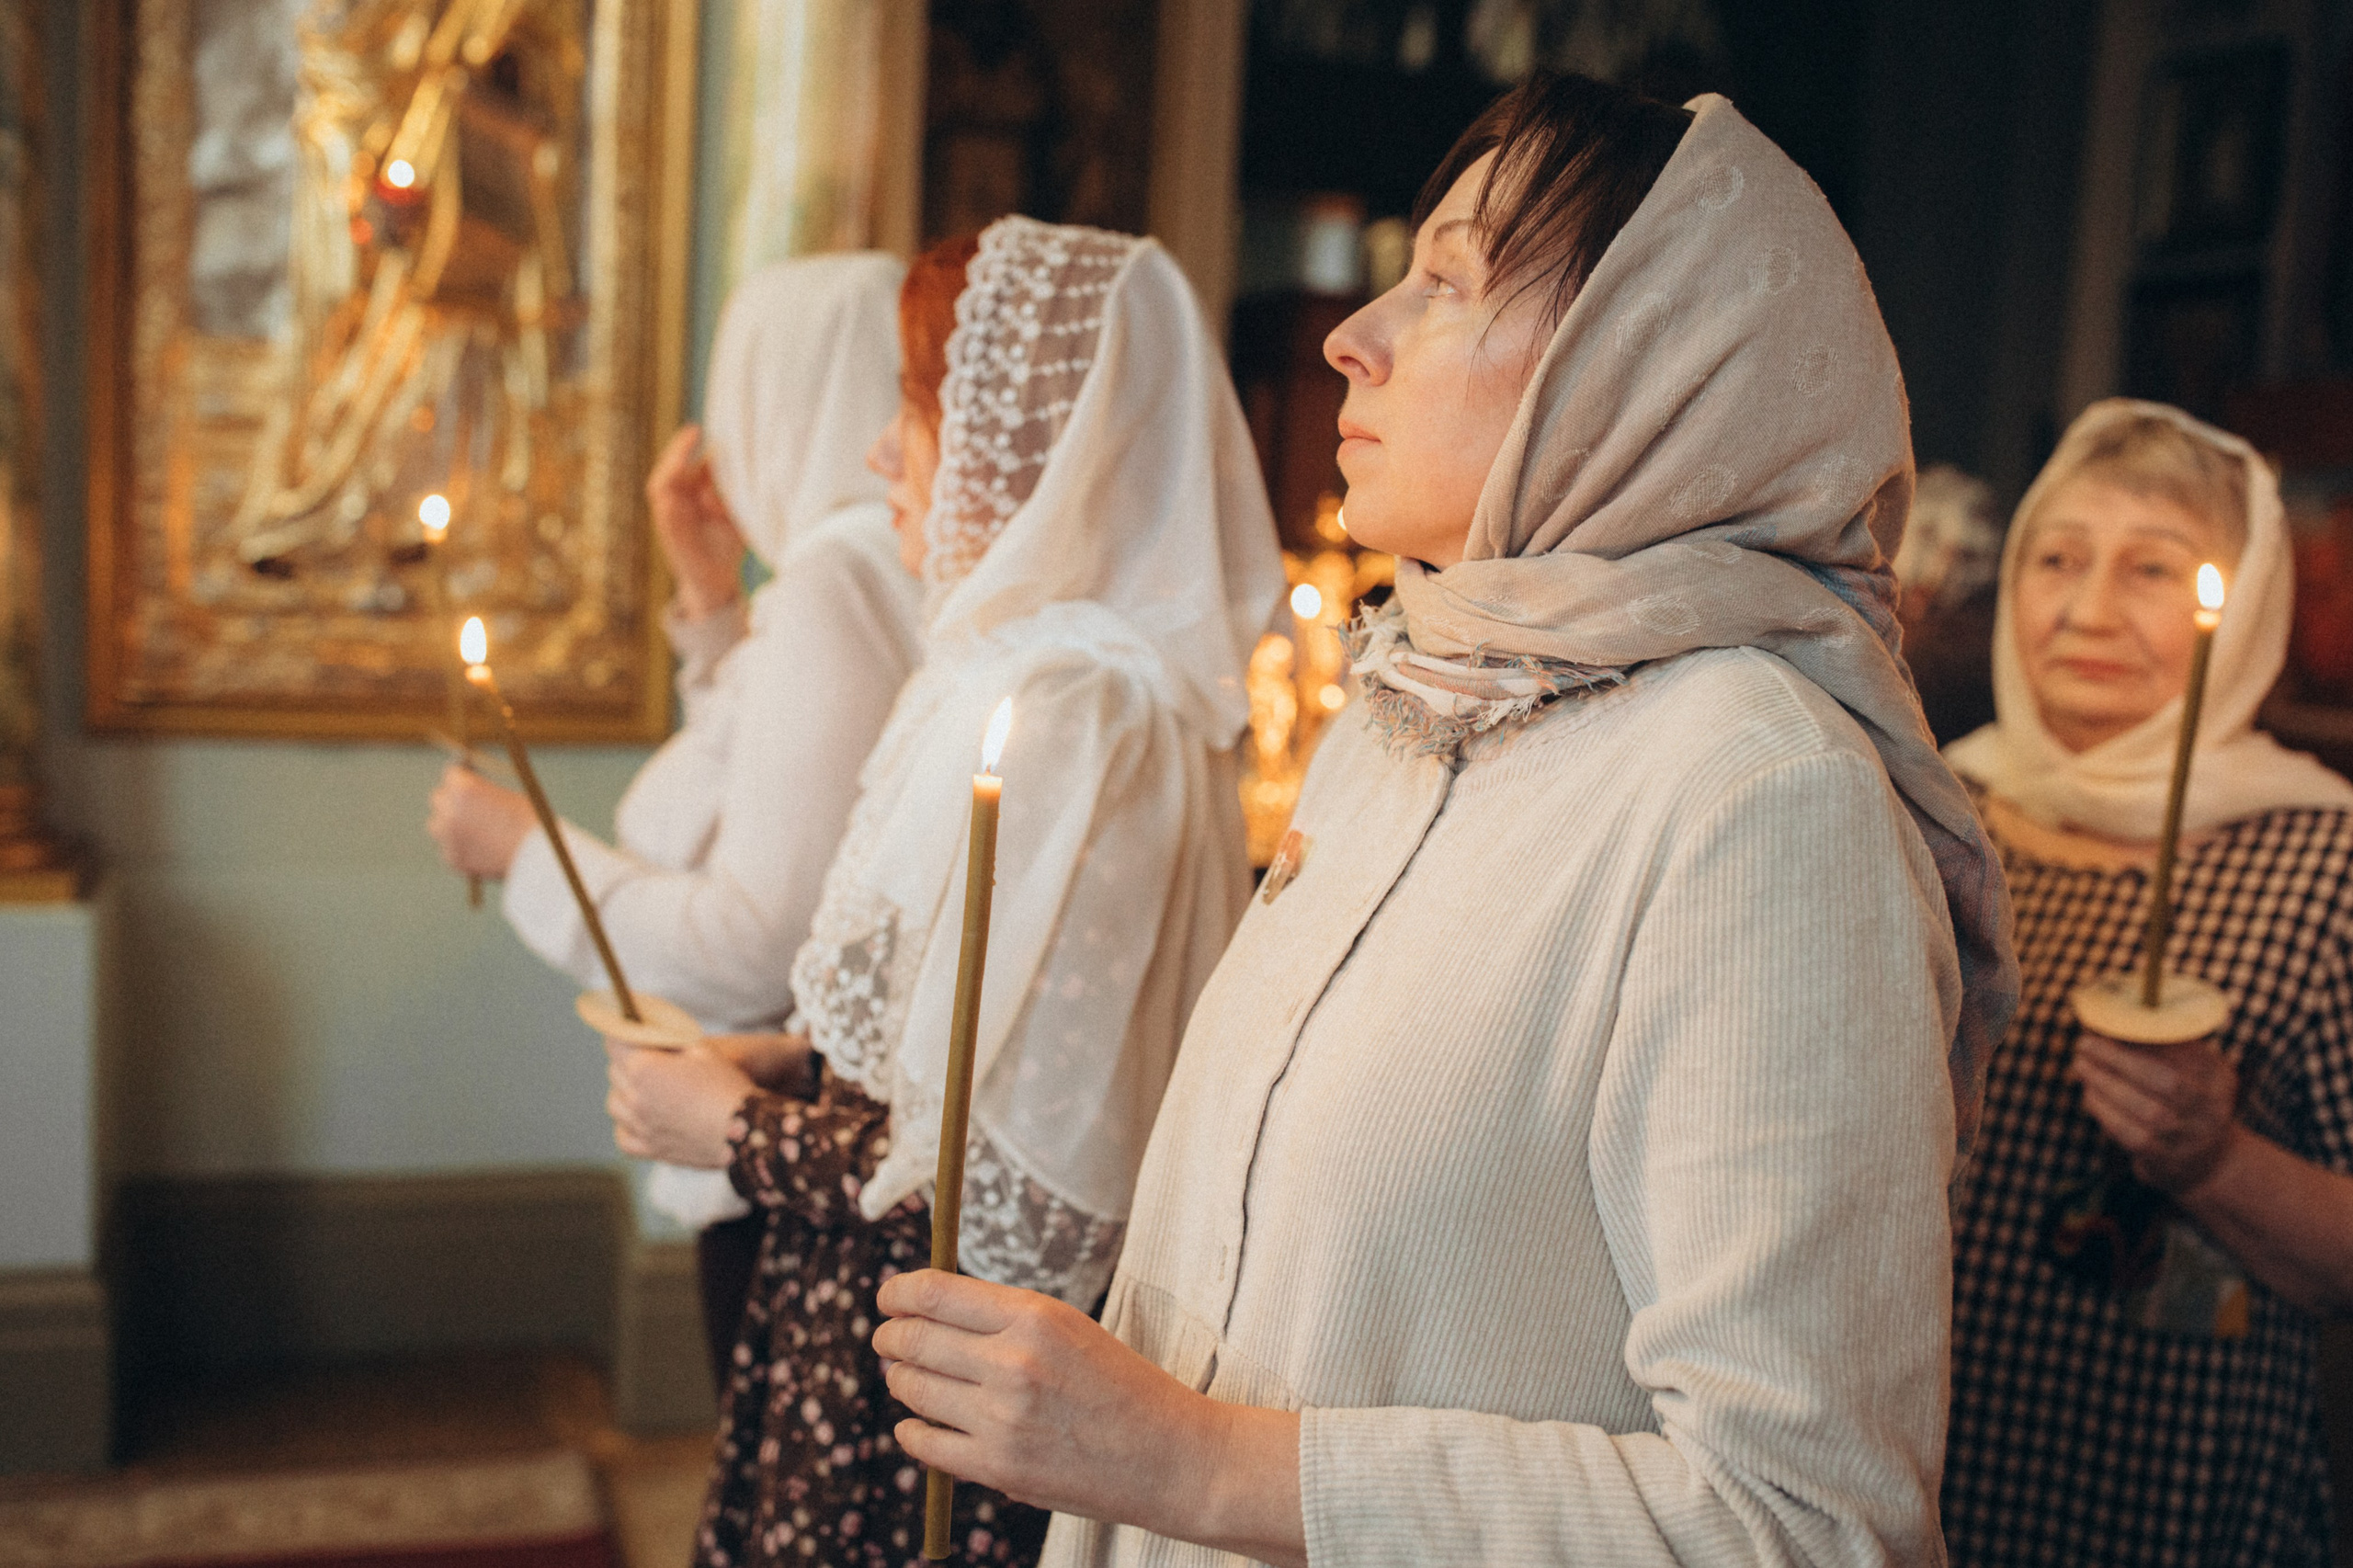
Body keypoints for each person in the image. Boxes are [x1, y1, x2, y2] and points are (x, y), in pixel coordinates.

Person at [870, 71, 2016, 1567]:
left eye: (1450, 282)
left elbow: (1805, 1522)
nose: (1352, 333)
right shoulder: (1414, 705)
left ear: (1640, 361)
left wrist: (1191, 1460)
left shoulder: (1761, 797)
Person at [600, 221, 1285, 1566]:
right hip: (856, 1322)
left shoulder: (1082, 712)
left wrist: (737, 1127)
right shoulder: (1004, 666)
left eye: (915, 409)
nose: (879, 455)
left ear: (1027, 447)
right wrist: (791, 1062)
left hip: (925, 1377)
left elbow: (1017, 1194)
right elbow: (952, 1057)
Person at [426, 253, 921, 1377]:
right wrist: (709, 600)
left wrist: (525, 851)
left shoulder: (835, 582)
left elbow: (759, 933)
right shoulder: (869, 565)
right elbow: (773, 786)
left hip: (774, 1130)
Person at [1938, 400, 2353, 1567]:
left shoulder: (2326, 862)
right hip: (1919, 1476)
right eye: (2057, 558)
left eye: (2152, 568)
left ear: (2246, 599)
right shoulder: (1930, 815)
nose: (2086, 608)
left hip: (2172, 1503)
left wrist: (2214, 1158)